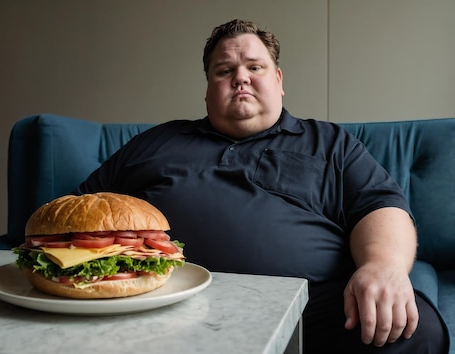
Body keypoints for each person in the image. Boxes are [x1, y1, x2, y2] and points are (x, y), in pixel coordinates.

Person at [76, 19, 448, 353]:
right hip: (162, 300)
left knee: (414, 332)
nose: (241, 77)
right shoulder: (156, 142)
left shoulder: (329, 142)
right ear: (208, 89)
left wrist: (383, 266)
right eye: (225, 70)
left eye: (255, 67)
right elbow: (82, 208)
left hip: (311, 306)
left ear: (278, 81)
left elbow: (381, 205)